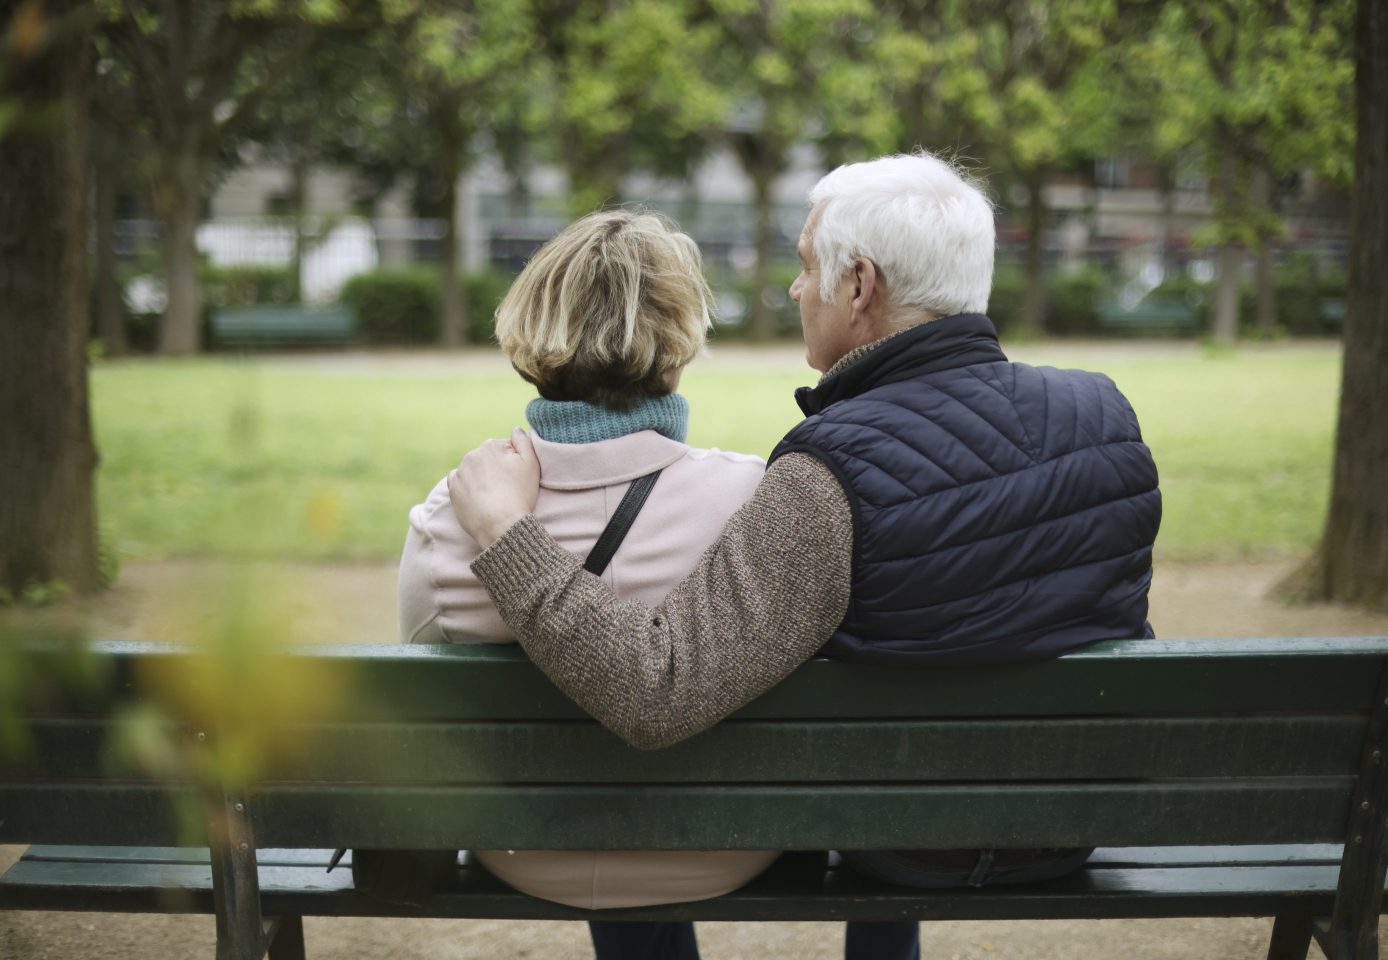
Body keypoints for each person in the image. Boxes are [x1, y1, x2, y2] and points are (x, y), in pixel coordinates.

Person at [450, 153, 1162, 960]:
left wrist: (509, 536)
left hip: (901, 842)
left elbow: (657, 691)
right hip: (1070, 824)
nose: (794, 291)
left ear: (859, 286)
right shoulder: (1106, 416)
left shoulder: (827, 474)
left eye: (803, 267)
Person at [393, 210, 780, 953]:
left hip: (524, 847)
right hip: (722, 840)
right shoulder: (753, 499)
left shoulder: (451, 517)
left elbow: (422, 687)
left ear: (536, 342)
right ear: (677, 346)